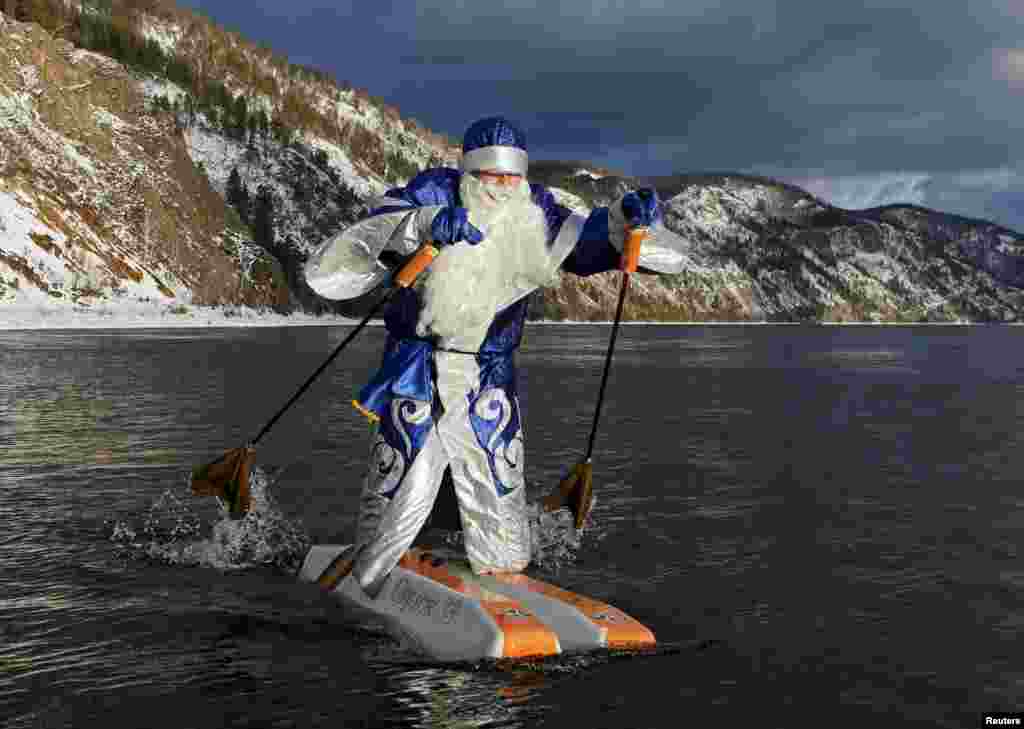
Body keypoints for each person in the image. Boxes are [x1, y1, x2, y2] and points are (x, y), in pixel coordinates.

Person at [305, 116, 676, 599]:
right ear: (469, 174)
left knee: (498, 498)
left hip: (489, 379)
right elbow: (369, 234)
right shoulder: (432, 192)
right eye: (491, 177)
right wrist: (424, 224)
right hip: (421, 371)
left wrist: (624, 221)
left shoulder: (535, 209)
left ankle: (501, 577)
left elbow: (587, 246)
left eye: (511, 177)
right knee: (400, 488)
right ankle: (369, 571)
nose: (502, 187)